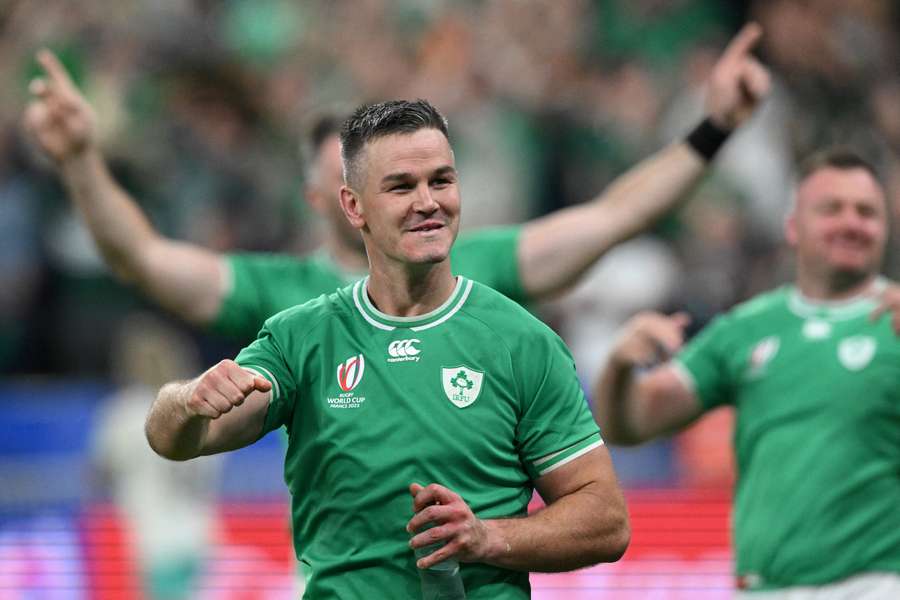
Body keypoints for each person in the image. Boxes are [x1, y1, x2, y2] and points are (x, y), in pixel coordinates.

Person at [145, 99, 630, 598]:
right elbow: (176, 440)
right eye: (402, 186)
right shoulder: (301, 337)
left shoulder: (522, 342)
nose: (428, 202)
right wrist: (184, 401)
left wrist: (489, 537)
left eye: (441, 181)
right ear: (353, 206)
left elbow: (607, 520)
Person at [23, 25, 770, 341]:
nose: (412, 199)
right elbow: (141, 259)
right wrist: (82, 160)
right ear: (330, 199)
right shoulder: (281, 293)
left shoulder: (478, 267)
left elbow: (615, 216)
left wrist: (714, 127)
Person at [593, 148, 900, 598]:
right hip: (764, 588)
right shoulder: (747, 328)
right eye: (832, 209)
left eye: (867, 212)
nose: (851, 222)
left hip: (875, 584)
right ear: (793, 226)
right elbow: (630, 424)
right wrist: (620, 366)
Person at [91, 313, 221, 600]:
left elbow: (100, 470)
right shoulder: (200, 412)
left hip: (150, 539)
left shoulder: (122, 412)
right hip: (199, 536)